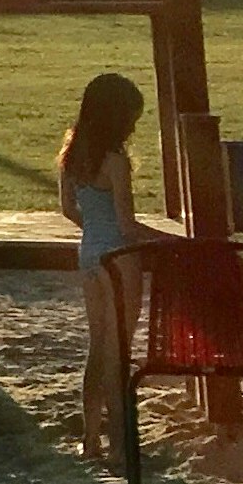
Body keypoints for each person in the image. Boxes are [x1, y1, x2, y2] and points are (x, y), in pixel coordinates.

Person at [56, 71, 151, 460]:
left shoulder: (71, 156)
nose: (132, 127)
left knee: (97, 347)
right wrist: (165, 240)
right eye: (130, 119)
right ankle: (121, 444)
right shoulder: (115, 161)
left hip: (89, 254)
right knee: (119, 353)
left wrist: (95, 231)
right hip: (119, 260)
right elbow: (127, 226)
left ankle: (91, 437)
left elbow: (68, 209)